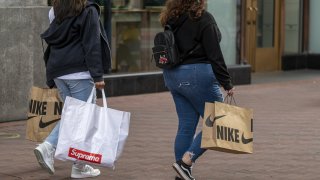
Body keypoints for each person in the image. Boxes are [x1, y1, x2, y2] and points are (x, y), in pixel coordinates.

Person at [34, 0, 111, 178]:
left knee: (76, 117)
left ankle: (80, 166)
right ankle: (49, 147)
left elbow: (55, 43)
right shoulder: (88, 10)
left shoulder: (56, 10)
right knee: (79, 117)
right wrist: (98, 75)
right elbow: (91, 44)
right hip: (79, 74)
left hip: (59, 72)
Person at [159, 0, 234, 179]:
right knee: (220, 122)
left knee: (186, 126)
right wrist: (227, 82)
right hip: (197, 75)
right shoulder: (204, 19)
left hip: (172, 76)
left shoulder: (171, 19)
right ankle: (185, 163)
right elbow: (215, 54)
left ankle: (182, 174)